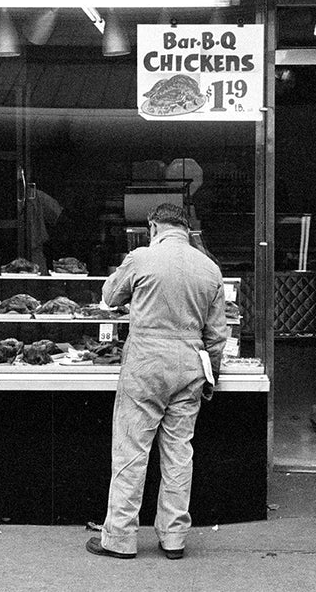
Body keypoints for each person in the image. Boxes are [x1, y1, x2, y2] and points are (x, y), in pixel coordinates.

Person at [86, 202, 228, 560]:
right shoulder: (209, 268)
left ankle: (119, 538)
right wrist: (210, 373)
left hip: (147, 362)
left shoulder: (141, 257)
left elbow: (108, 296)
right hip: (190, 363)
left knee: (132, 451)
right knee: (179, 453)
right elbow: (216, 335)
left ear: (154, 226)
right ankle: (174, 538)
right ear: (187, 228)